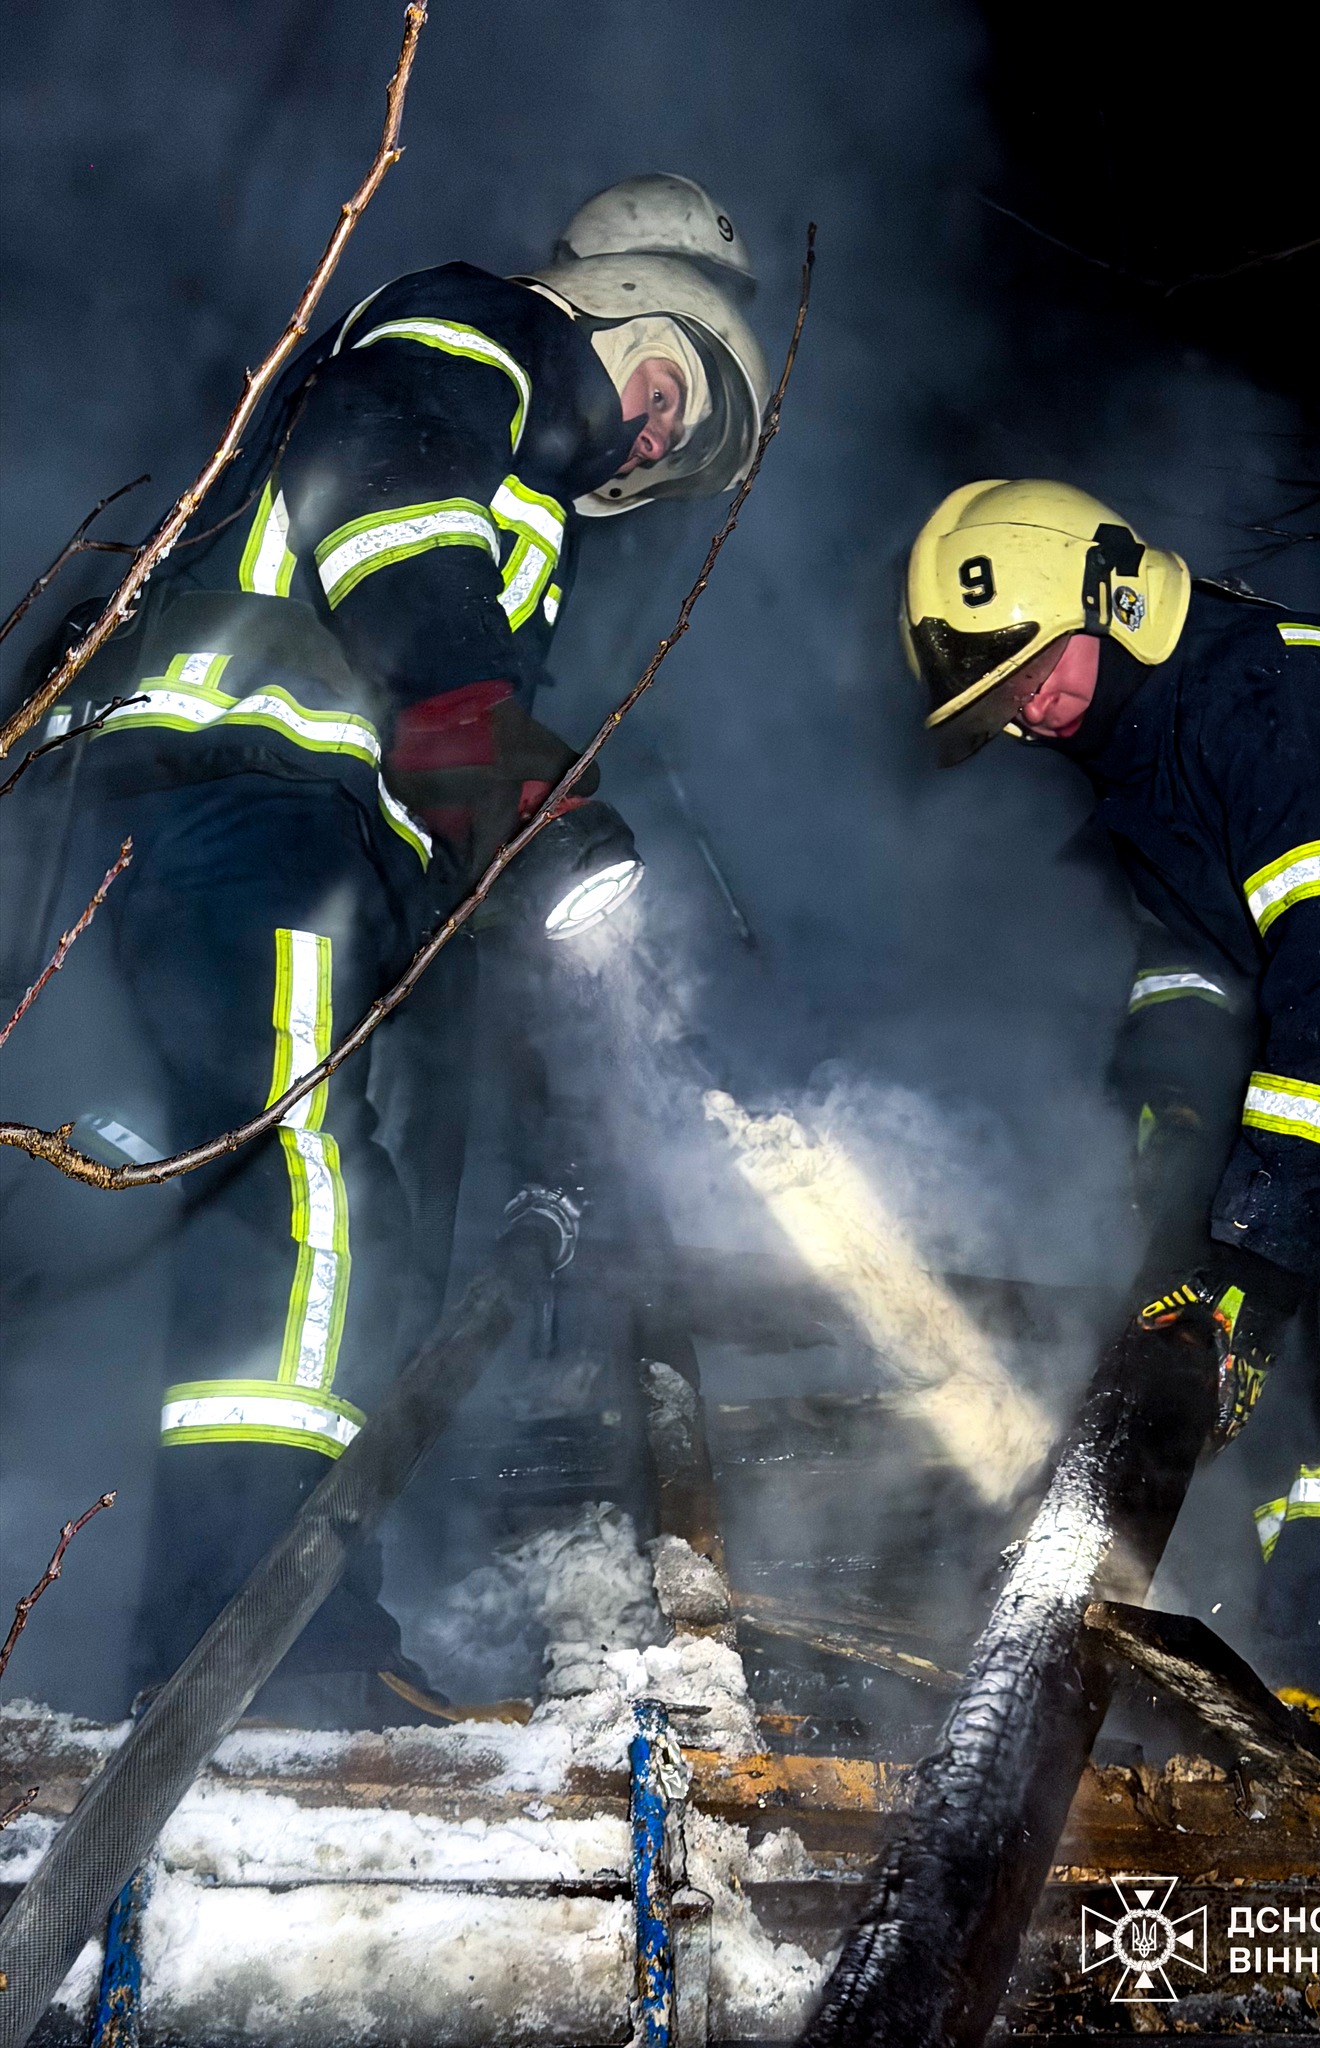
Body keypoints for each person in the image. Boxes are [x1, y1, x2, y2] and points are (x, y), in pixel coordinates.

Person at [0, 176, 766, 1726]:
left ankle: (234, 1620)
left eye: (680, 449)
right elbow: (395, 512)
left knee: (272, 1211)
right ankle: (263, 1649)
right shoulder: (481, 334)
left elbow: (446, 753)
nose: (657, 440)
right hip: (244, 789)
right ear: (624, 300)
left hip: (215, 822)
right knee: (311, 1191)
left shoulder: (531, 498)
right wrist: (486, 737)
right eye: (674, 391)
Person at [902, 478, 1320, 1796]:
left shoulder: (1276, 703)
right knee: (1292, 1349)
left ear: (1116, 598)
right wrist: (1187, 1188)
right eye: (998, 704)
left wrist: (1257, 1250)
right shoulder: (1150, 783)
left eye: (1029, 672)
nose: (1025, 713)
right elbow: (1203, 992)